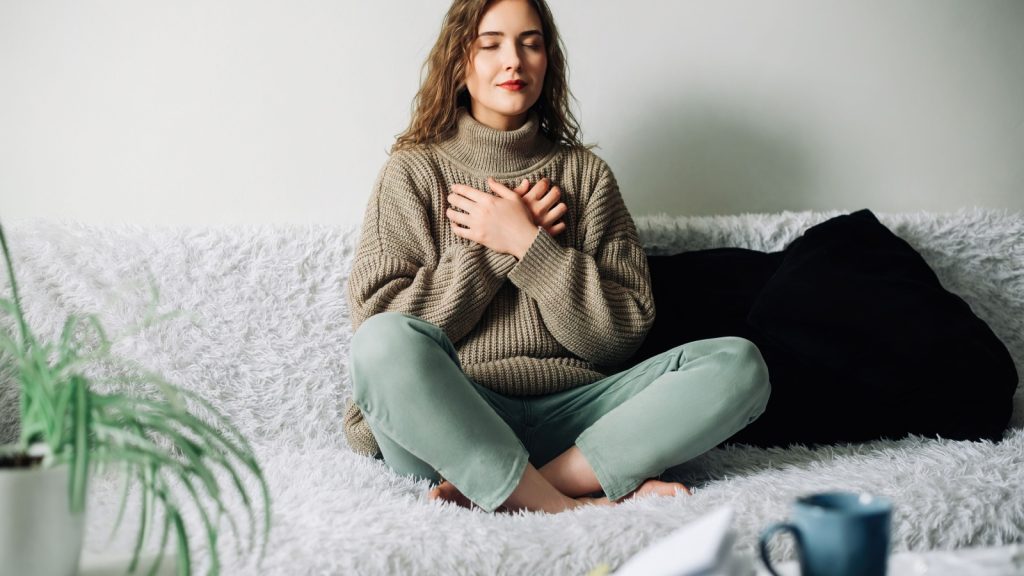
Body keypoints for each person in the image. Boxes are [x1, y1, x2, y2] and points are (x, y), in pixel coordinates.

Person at [343, 0, 771, 514]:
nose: (515, 61)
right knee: (379, 342)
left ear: (549, 59)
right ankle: (569, 505)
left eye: (531, 42)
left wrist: (531, 245)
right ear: (460, 61)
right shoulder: (412, 173)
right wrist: (489, 251)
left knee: (738, 365)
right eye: (492, 43)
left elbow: (617, 338)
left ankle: (529, 488)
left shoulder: (587, 176)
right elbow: (380, 328)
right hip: (457, 424)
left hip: (581, 421)